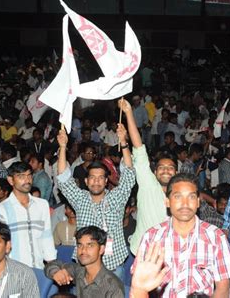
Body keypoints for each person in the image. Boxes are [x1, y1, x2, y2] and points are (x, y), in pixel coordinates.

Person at [135, 173, 230, 297]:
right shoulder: (152, 237)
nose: (185, 203)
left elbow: (222, 288)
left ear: (198, 202)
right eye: (178, 197)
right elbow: (139, 286)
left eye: (191, 197)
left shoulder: (215, 237)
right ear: (167, 202)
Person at [57, 122, 135, 280]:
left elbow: (128, 176)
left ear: (106, 181)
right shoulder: (80, 198)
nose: (96, 182)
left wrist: (124, 143)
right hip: (85, 266)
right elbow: (64, 179)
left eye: (101, 178)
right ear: (86, 181)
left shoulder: (116, 198)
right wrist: (63, 147)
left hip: (113, 265)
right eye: (92, 178)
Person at [118, 99, 177, 256]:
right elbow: (138, 146)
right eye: (161, 168)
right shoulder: (148, 184)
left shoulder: (180, 195)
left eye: (170, 168)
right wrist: (129, 113)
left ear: (176, 173)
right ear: (155, 172)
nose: (166, 171)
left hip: (169, 254)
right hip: (143, 252)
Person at [0, 162, 56, 268]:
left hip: (39, 269)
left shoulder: (42, 205)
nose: (27, 180)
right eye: (21, 176)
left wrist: (53, 266)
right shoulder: (0, 210)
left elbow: (46, 237)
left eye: (29, 175)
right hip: (14, 271)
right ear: (11, 180)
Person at [45, 226, 124, 297]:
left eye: (90, 245)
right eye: (80, 245)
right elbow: (52, 265)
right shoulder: (79, 270)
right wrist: (56, 272)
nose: (83, 250)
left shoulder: (113, 286)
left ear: (101, 249)